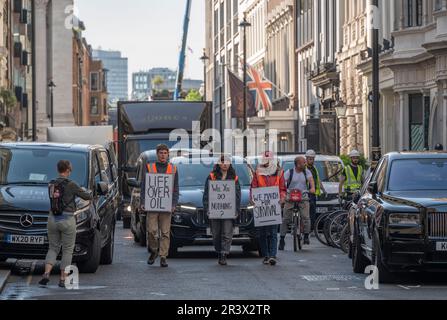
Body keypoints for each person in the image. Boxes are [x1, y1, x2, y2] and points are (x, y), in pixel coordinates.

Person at [39, 160, 93, 288]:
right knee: (68, 250)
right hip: (67, 219)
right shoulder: (72, 184)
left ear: (58, 169)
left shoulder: (51, 183)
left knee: (53, 248)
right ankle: (63, 279)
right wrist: (90, 192)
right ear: (68, 169)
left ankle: (46, 273)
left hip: (52, 218)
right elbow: (86, 196)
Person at [203, 155, 241, 266]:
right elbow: (206, 195)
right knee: (216, 234)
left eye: (227, 162)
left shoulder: (234, 177)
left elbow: (237, 195)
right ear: (219, 164)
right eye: (222, 162)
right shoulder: (211, 176)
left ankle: (224, 254)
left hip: (229, 210)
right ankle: (219, 251)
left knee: (227, 233)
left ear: (230, 164)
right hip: (215, 210)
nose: (225, 164)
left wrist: (236, 210)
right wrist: (207, 209)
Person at [146, 144, 179, 268]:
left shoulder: (173, 169)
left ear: (168, 154)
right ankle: (154, 250)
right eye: (161, 153)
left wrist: (174, 204)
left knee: (165, 232)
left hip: (167, 205)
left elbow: (175, 188)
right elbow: (145, 185)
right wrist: (143, 202)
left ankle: (163, 256)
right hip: (152, 205)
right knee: (151, 231)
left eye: (165, 153)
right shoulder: (149, 167)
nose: (163, 155)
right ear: (157, 154)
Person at [251, 151, 286, 266]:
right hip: (261, 207)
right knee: (262, 233)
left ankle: (272, 255)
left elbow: (282, 188)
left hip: (274, 205)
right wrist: (253, 198)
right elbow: (254, 187)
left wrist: (282, 198)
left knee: (272, 232)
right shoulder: (258, 172)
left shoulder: (279, 172)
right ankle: (266, 255)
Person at [279, 156, 315, 249]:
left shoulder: (306, 172)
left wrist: (312, 188)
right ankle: (282, 240)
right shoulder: (289, 172)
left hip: (303, 196)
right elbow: (282, 182)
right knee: (285, 219)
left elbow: (311, 181)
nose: (305, 163)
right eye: (303, 162)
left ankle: (306, 235)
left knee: (306, 217)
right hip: (290, 196)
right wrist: (283, 192)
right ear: (298, 164)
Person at [305, 150, 326, 230]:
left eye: (313, 159)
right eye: (310, 159)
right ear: (306, 159)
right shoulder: (304, 168)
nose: (311, 160)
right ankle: (303, 229)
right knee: (305, 213)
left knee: (312, 213)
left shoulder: (314, 168)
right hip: (305, 193)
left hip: (313, 194)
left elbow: (318, 180)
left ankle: (311, 230)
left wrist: (323, 189)